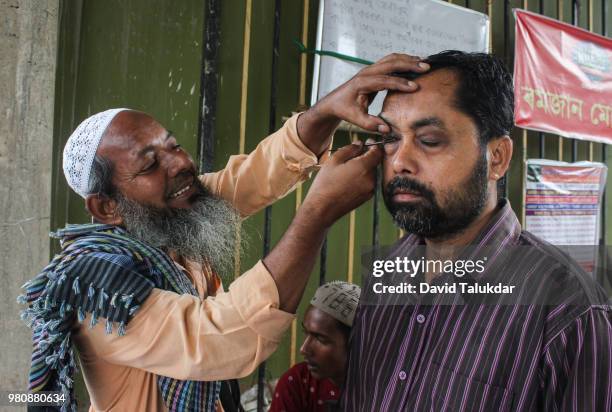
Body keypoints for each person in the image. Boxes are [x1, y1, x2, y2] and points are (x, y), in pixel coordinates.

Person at [19, 55, 430, 412]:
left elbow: (254, 175)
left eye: (173, 146)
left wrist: (325, 112)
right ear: (107, 207)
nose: (179, 164)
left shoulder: (168, 214)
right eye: (149, 166)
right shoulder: (99, 287)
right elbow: (217, 339)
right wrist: (317, 213)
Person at [340, 51, 612, 411]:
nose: (400, 161)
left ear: (496, 157)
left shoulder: (569, 310)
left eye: (430, 140)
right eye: (390, 138)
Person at [270, 281, 360, 412]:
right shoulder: (298, 384)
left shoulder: (386, 387)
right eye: (306, 333)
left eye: (320, 339)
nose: (304, 349)